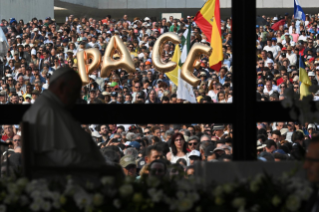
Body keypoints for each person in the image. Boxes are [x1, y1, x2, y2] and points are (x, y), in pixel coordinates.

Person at [22, 67, 107, 167]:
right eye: (75, 91)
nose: (77, 97)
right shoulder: (46, 110)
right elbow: (59, 156)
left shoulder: (56, 106)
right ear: (62, 88)